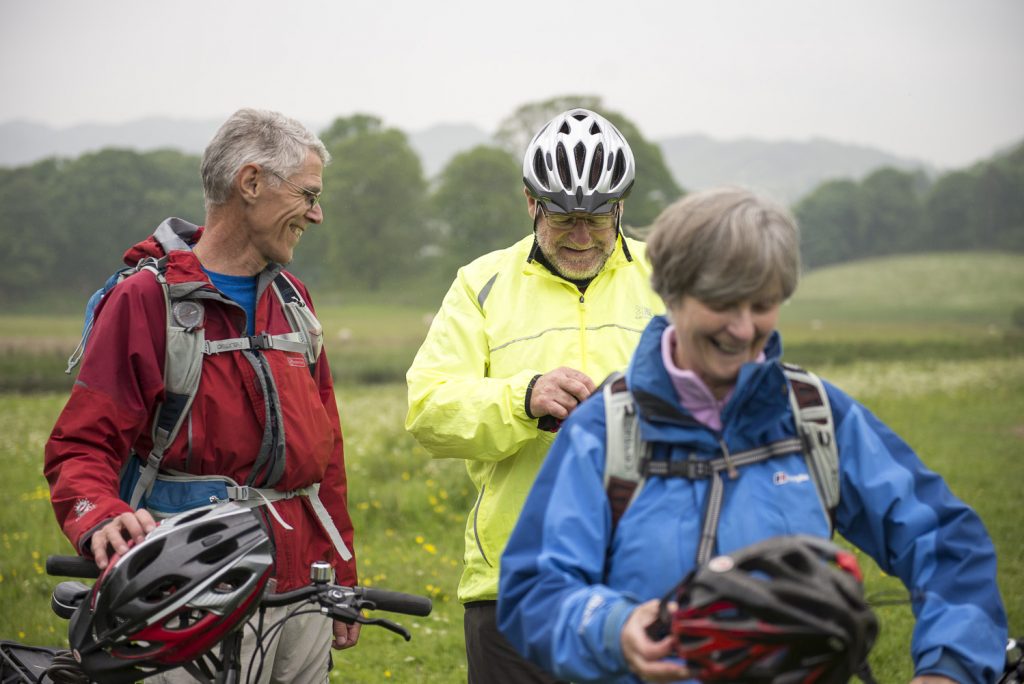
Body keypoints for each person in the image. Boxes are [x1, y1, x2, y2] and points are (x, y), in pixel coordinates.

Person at [497, 187, 1008, 684]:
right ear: (671, 293)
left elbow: (946, 544)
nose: (742, 329)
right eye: (722, 304)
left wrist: (949, 668)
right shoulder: (604, 430)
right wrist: (615, 628)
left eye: (762, 304)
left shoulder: (816, 417)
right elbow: (535, 593)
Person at [44, 108, 360, 683]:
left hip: (299, 597)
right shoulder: (146, 301)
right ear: (251, 182)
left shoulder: (294, 300)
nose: (317, 214)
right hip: (183, 591)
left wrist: (340, 570)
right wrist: (101, 517)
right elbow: (81, 446)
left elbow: (326, 454)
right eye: (308, 195)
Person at [405, 108, 665, 683]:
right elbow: (428, 409)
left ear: (621, 206)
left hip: (647, 574)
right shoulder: (482, 283)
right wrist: (524, 400)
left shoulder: (666, 277)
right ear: (531, 202)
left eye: (597, 219)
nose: (580, 236)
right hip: (516, 582)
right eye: (564, 217)